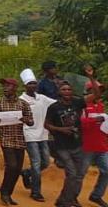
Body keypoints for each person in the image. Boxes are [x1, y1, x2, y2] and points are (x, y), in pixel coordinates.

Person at [46, 75, 97, 207]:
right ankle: (65, 202)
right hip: (62, 146)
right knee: (72, 173)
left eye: (69, 89)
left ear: (72, 91)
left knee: (77, 175)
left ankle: (63, 200)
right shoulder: (54, 107)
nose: (67, 91)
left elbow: (96, 94)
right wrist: (60, 129)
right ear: (59, 92)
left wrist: (91, 77)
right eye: (64, 89)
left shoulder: (77, 102)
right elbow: (47, 125)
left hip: (77, 145)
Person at [0, 77, 33, 206]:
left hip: (19, 139)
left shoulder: (23, 104)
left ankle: (8, 194)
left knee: (17, 168)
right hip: (6, 138)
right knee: (12, 166)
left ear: (15, 88)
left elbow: (31, 121)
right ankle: (4, 193)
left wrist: (26, 120)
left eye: (8, 86)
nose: (5, 88)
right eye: (4, 86)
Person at [18, 68, 57, 202]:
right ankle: (36, 192)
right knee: (36, 162)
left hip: (43, 134)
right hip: (29, 135)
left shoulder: (42, 98)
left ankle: (26, 173)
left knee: (45, 162)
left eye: (34, 83)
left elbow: (57, 104)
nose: (33, 86)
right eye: (30, 83)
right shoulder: (21, 100)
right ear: (25, 86)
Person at [79, 63, 108, 207]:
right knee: (80, 174)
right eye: (97, 89)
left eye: (101, 90)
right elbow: (80, 123)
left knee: (107, 171)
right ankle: (71, 197)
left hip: (102, 146)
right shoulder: (83, 105)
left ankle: (96, 195)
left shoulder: (101, 105)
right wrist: (94, 120)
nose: (100, 92)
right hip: (87, 146)